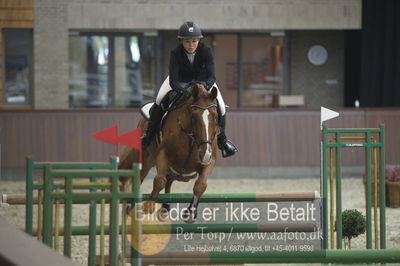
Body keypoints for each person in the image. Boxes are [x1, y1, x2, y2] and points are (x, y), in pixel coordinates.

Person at [142, 21, 237, 158]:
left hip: (204, 83)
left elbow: (212, 76)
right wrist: (184, 90)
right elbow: (173, 81)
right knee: (159, 99)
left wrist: (204, 86)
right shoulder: (175, 53)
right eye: (187, 42)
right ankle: (149, 136)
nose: (191, 45)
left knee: (221, 106)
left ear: (199, 40)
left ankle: (223, 141)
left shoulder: (206, 51)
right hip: (181, 82)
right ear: (181, 41)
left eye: (194, 41)